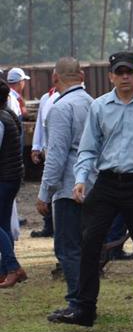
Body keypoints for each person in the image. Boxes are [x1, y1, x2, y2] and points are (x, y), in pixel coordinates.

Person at [49, 52, 133, 328]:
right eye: (119, 72)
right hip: (106, 182)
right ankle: (84, 308)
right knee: (90, 243)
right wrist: (80, 179)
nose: (125, 77)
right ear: (111, 76)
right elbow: (88, 148)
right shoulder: (99, 106)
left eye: (129, 72)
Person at [34, 58, 93, 310]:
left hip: (68, 187)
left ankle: (77, 302)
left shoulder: (60, 108)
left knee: (68, 248)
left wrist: (44, 193)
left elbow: (56, 156)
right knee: (86, 248)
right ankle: (87, 300)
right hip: (92, 184)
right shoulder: (93, 103)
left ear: (54, 78)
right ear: (81, 76)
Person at [0, 80, 26, 288]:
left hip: (4, 178)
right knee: (3, 224)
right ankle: (5, 270)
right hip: (11, 176)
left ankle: (12, 267)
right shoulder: (8, 114)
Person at [30, 86, 59, 238]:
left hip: (61, 150)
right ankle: (49, 224)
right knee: (48, 185)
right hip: (48, 150)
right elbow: (40, 124)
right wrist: (36, 146)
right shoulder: (46, 98)